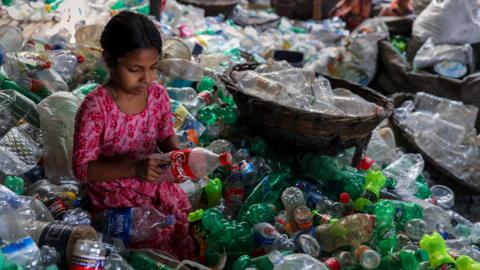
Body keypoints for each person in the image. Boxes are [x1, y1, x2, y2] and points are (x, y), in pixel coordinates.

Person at [72, 11, 195, 260]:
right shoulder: (96, 107)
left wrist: (178, 154)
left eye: (153, 68)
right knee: (150, 248)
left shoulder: (158, 95)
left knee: (182, 224)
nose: (146, 78)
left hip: (153, 178)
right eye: (134, 69)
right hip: (114, 192)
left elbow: (164, 135)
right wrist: (134, 168)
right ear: (109, 60)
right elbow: (83, 170)